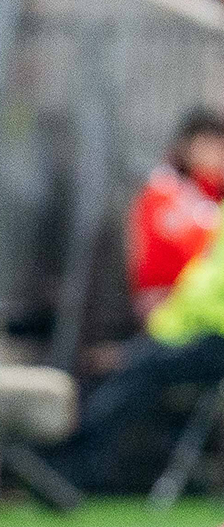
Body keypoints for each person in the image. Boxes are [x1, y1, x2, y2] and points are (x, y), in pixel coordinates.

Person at [50, 204, 224, 493]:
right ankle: (66, 454)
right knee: (115, 364)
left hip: (211, 341)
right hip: (181, 334)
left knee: (136, 368)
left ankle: (70, 463)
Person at [130, 111, 224, 321]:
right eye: (208, 146)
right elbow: (189, 244)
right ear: (187, 147)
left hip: (199, 300)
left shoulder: (211, 191)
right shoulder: (165, 188)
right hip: (164, 298)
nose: (216, 155)